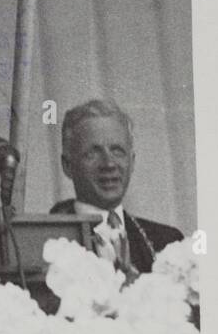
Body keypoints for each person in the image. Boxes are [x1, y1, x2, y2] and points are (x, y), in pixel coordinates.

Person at [50, 98, 184, 274]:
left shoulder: (168, 242)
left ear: (132, 161)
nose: (109, 164)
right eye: (93, 153)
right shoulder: (47, 242)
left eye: (117, 151)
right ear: (67, 165)